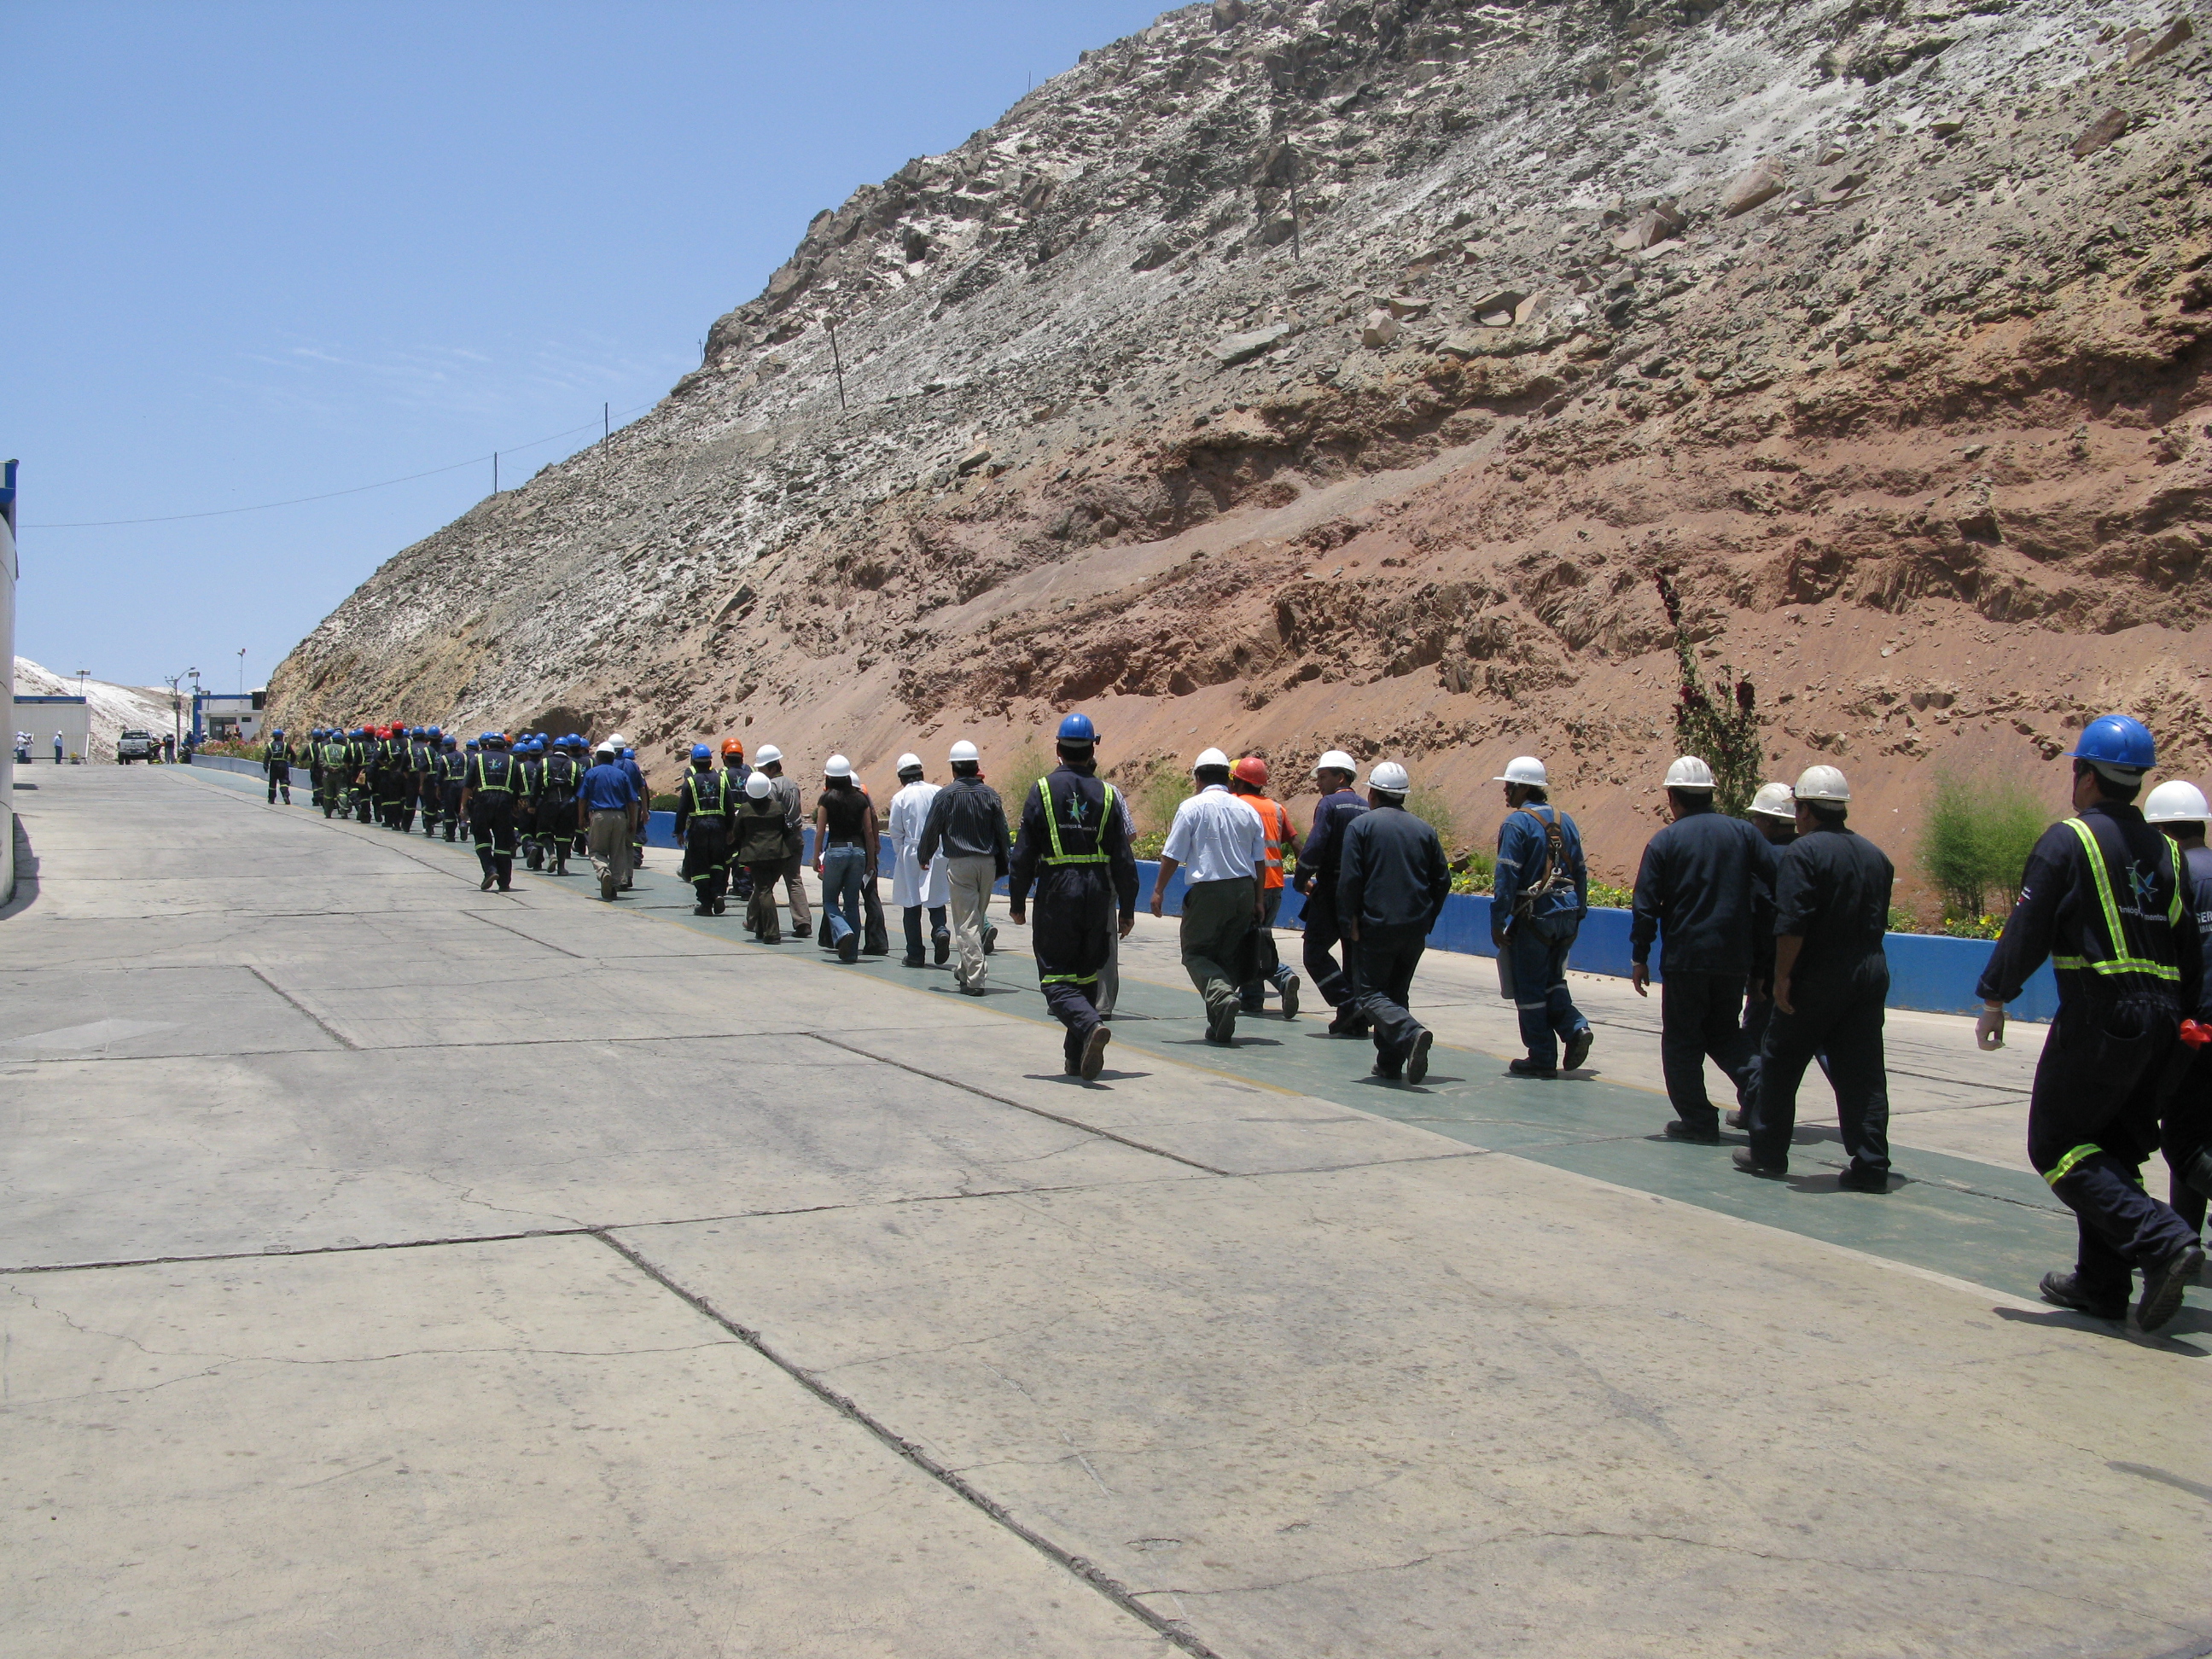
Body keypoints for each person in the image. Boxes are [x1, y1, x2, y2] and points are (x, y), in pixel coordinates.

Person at [1974, 718, 2204, 1332]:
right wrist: (2183, 1031)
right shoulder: (2171, 858)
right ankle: (2102, 1285)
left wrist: (1996, 995)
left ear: (2085, 775)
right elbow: (2190, 953)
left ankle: (2160, 1239)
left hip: (2104, 1014)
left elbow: (2029, 925)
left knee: (2055, 1144)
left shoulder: (2068, 841)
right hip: (2164, 1021)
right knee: (2111, 1148)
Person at [1735, 765, 1896, 1192]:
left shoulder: (1803, 854)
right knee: (1862, 1072)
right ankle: (1871, 1163)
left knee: (1781, 1060)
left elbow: (1793, 923)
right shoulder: (1876, 856)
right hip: (1869, 971)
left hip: (1818, 974)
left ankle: (1767, 1153)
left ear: (1804, 811)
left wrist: (1782, 976)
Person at [1629, 756, 1778, 1142]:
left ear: (1672, 797)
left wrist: (1640, 955)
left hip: (1685, 959)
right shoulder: (1744, 834)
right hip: (1733, 959)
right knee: (1725, 1032)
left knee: (1682, 1042)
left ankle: (1697, 1120)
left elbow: (1646, 905)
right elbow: (1776, 887)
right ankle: (1762, 1081)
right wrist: (1762, 959)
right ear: (1710, 795)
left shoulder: (1665, 841)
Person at [1007, 713, 1138, 1079]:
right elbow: (1124, 860)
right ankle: (1075, 1058)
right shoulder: (1110, 795)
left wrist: (1017, 901)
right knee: (1084, 975)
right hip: (1098, 891)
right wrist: (1126, 908)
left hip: (1058, 889)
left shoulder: (1043, 790)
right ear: (1093, 747)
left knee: (1055, 980)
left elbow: (1023, 854)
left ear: (1058, 747)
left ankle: (1089, 1024)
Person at [1337, 760, 1452, 1082]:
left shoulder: (1361, 827)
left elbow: (1351, 880)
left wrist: (1350, 921)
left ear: (1372, 793)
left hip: (1376, 926)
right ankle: (1389, 1064)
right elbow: (1442, 880)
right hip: (1414, 928)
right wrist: (1427, 918)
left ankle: (1410, 1032)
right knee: (1397, 993)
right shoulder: (1424, 829)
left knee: (1370, 994)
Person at [1151, 747, 1268, 1045]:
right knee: (1226, 958)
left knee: (1196, 953)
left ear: (1198, 777)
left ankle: (1221, 997)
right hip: (1244, 890)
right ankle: (1218, 1026)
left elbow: (1172, 855)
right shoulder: (1247, 810)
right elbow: (1259, 861)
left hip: (1210, 891)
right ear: (1228, 778)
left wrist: (1158, 890)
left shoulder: (1192, 807)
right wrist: (1257, 900)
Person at [1490, 755, 1592, 1078]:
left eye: (1509, 786)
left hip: (1536, 915)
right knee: (1553, 980)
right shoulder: (1567, 820)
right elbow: (1581, 869)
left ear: (1522, 788)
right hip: (1567, 912)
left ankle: (1542, 1056)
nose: (1505, 791)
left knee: (1529, 986)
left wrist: (1498, 920)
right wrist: (1581, 910)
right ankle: (1575, 1027)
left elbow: (1507, 876)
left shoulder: (1516, 824)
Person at [2143, 779, 2212, 1245]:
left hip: (2197, 1028)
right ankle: (2185, 1235)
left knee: (2182, 1140)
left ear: (2164, 830)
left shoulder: (2176, 875)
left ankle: (2179, 1235)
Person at [1729, 781, 1804, 1126]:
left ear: (1771, 822)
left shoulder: (1766, 860)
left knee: (1758, 1040)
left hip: (1774, 969)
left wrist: (1758, 974)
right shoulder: (1811, 853)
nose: (1754, 825)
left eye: (1758, 818)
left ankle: (1755, 1110)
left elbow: (1762, 921)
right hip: (1812, 969)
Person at [919, 740, 1010, 995]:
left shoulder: (946, 796)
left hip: (961, 865)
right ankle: (963, 970)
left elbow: (932, 830)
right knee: (977, 919)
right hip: (987, 864)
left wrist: (924, 856)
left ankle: (976, 978)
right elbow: (1002, 832)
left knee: (967, 923)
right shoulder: (991, 795)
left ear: (954, 769)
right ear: (975, 766)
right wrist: (1004, 863)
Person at [1295, 751, 1371, 1035]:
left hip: (1330, 891)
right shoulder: (1366, 807)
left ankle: (1348, 1003)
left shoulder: (1329, 804)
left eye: (1323, 777)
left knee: (1314, 952)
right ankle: (1355, 1021)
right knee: (1353, 956)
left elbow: (1315, 846)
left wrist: (1301, 878)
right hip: (1360, 893)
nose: (1318, 783)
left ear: (1341, 777)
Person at [1228, 755, 1301, 1019]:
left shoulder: (1235, 805)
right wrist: (1305, 876)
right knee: (1258, 941)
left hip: (1250, 887)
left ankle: (1282, 977)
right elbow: (1295, 842)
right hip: (1276, 886)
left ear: (1238, 780)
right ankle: (1253, 999)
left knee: (1246, 944)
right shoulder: (1277, 808)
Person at [811, 755, 877, 961]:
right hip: (858, 852)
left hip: (836, 851)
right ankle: (851, 952)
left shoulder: (827, 799)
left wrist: (815, 857)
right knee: (852, 903)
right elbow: (868, 832)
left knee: (830, 901)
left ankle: (843, 931)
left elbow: (820, 831)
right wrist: (872, 860)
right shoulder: (861, 799)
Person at [888, 753, 950, 967]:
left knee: (911, 904)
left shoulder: (900, 798)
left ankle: (915, 953)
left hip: (912, 851)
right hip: (937, 850)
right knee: (937, 898)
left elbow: (896, 832)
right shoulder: (938, 791)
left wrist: (902, 854)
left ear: (901, 777)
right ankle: (940, 929)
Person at [754, 745, 814, 938]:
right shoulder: (792, 784)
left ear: (771, 768)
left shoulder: (771, 787)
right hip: (796, 836)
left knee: (764, 883)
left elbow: (769, 815)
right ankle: (803, 921)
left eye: (761, 769)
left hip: (778, 840)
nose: (759, 773)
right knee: (794, 879)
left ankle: (753, 919)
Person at [673, 743, 736, 916]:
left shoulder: (691, 782)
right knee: (717, 863)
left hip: (699, 827)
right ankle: (717, 893)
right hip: (719, 827)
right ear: (710, 761)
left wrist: (679, 831)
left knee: (700, 867)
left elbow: (682, 809)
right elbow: (730, 808)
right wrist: (730, 829)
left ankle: (706, 904)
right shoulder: (722, 780)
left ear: (693, 762)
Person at [457, 731, 525, 892]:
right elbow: (519, 787)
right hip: (505, 803)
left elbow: (467, 785)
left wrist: (463, 806)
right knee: (503, 843)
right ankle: (504, 882)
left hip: (483, 802)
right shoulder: (512, 760)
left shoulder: (478, 758)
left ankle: (490, 869)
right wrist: (516, 807)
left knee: (482, 839)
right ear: (504, 746)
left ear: (487, 745)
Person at [732, 773, 794, 940]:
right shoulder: (779, 807)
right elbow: (788, 830)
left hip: (756, 856)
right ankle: (760, 928)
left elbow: (737, 832)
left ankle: (772, 932)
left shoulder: (745, 809)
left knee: (764, 891)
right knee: (764, 889)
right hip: (779, 856)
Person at [577, 741, 640, 901]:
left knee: (597, 850)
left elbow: (582, 798)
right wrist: (633, 820)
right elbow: (632, 801)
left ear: (597, 757)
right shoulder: (621, 774)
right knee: (618, 852)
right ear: (613, 757)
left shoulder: (592, 773)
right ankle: (615, 884)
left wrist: (581, 818)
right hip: (620, 817)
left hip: (599, 816)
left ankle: (603, 871)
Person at [536, 736, 581, 873]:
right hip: (567, 805)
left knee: (543, 831)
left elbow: (536, 786)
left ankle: (551, 854)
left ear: (553, 749)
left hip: (548, 803)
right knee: (563, 836)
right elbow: (579, 788)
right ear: (567, 750)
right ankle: (561, 867)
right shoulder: (573, 765)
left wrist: (532, 804)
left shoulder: (544, 763)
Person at [720, 739, 754, 905]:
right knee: (745, 854)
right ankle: (745, 887)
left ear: (726, 758)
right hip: (749, 819)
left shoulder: (723, 775)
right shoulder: (752, 773)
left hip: (730, 820)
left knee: (727, 854)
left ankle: (721, 886)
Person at [263, 728, 294, 805]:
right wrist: (291, 762)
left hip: (274, 765)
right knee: (284, 781)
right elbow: (293, 754)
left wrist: (266, 766)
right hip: (283, 764)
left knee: (272, 782)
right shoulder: (286, 745)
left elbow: (267, 757)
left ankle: (271, 799)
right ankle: (285, 795)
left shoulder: (270, 745)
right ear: (281, 736)